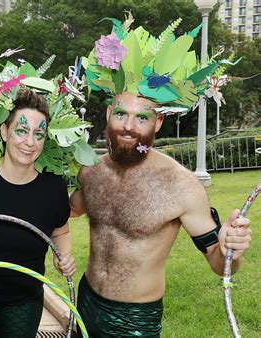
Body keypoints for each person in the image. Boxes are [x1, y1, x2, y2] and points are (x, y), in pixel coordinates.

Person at [70, 17, 253, 337]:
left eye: (142, 117)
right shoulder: (91, 170)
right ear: (109, 114)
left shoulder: (180, 185)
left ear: (157, 123)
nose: (129, 126)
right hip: (85, 302)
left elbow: (217, 260)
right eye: (122, 113)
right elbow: (69, 210)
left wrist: (230, 250)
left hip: (134, 320)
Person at [0, 89, 78, 338]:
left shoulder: (53, 188)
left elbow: (60, 230)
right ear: (4, 132)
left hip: (23, 299)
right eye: (21, 130)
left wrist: (64, 256)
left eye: (38, 134)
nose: (29, 142)